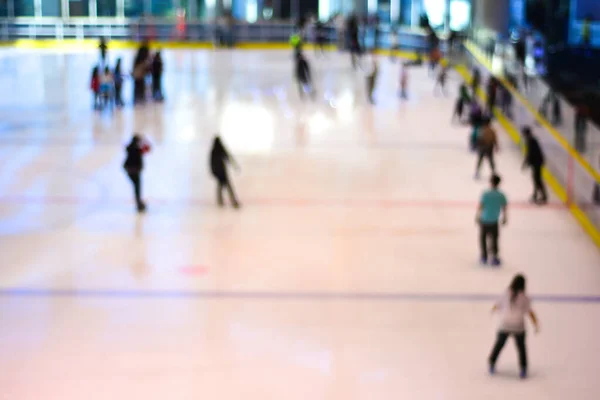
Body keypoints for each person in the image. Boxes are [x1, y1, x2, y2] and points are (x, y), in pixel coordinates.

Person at [489, 274, 540, 379]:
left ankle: (492, 362)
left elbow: (497, 305)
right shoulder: (525, 298)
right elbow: (530, 313)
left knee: (499, 345)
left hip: (505, 325)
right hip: (519, 327)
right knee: (521, 348)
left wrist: (493, 310)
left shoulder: (506, 294)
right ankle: (523, 368)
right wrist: (536, 324)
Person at [476, 174, 508, 265]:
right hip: (494, 221)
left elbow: (481, 206)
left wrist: (477, 216)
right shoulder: (501, 195)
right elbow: (504, 207)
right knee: (494, 239)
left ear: (491, 182)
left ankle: (484, 256)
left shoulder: (486, 194)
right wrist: (505, 217)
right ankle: (494, 256)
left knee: (483, 238)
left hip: (485, 220)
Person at [210, 136, 241, 208]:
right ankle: (233, 202)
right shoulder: (220, 149)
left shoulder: (214, 151)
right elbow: (229, 158)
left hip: (219, 172)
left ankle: (221, 201)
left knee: (221, 186)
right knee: (227, 187)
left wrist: (213, 171)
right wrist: (235, 166)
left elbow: (211, 163)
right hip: (222, 172)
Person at [123, 135, 150, 213]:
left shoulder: (129, 148)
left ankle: (139, 203)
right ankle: (139, 204)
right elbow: (148, 149)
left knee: (136, 187)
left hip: (129, 170)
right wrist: (144, 141)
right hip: (135, 171)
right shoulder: (138, 149)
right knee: (137, 187)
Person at [521, 127, 548, 204]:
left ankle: (543, 196)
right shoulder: (531, 140)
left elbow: (530, 153)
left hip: (537, 162)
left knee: (537, 179)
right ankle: (536, 195)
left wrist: (525, 163)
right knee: (536, 179)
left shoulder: (531, 141)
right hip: (536, 162)